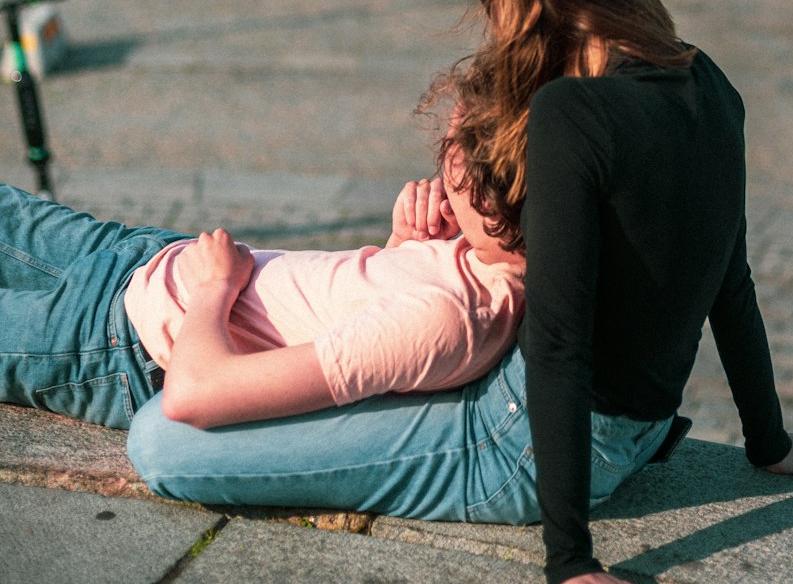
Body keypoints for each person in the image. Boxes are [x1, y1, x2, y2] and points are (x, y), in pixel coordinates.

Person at [129, 0, 793, 584]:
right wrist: (769, 440)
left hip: (521, 441)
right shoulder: (712, 85)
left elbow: (556, 340)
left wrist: (569, 562)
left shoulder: (572, 113)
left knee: (163, 445)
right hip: (638, 431)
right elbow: (729, 279)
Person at [0, 166, 523, 432]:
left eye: (457, 156)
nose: (444, 175)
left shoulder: (451, 317)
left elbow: (195, 395)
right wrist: (403, 247)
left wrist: (214, 287)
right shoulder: (484, 260)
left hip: (120, 342)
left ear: (492, 198)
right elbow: (353, 317)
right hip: (149, 258)